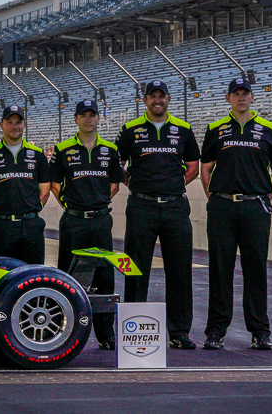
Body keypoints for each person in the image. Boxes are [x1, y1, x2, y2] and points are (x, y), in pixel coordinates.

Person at [200, 76, 272, 351]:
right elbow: (205, 168)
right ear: (228, 98)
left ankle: (260, 331)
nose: (241, 98)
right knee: (220, 271)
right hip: (222, 206)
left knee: (256, 270)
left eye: (245, 93)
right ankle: (215, 332)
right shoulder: (215, 129)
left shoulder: (269, 129)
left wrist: (265, 195)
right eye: (235, 93)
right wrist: (212, 196)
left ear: (252, 97)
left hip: (255, 206)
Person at [115, 79, 200, 350]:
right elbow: (118, 165)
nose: (157, 100)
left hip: (176, 206)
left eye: (161, 96)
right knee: (135, 267)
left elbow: (194, 166)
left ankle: (179, 331)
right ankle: (133, 328)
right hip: (142, 206)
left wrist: (172, 187)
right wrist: (138, 186)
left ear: (169, 99)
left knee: (180, 269)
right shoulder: (130, 129)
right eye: (152, 96)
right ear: (145, 100)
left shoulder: (183, 129)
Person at [50, 100, 123, 349]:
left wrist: (96, 205)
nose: (88, 119)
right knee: (68, 276)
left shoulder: (111, 149)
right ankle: (62, 330)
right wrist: (74, 207)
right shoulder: (63, 149)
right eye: (84, 115)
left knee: (104, 275)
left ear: (98, 119)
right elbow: (55, 185)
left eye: (93, 115)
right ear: (76, 119)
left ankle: (106, 334)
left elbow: (114, 185)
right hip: (73, 221)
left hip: (101, 220)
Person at [0, 105, 51, 265]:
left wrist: (31, 212)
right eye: (10, 122)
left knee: (33, 275)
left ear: (24, 124)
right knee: (6, 276)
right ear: (1, 124)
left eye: (18, 122)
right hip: (3, 228)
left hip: (32, 226)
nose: (14, 126)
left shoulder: (38, 154)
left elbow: (45, 192)